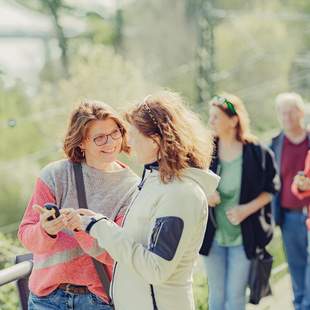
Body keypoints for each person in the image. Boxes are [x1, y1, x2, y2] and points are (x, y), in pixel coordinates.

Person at [63, 91, 219, 310]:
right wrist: (97, 221)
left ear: (155, 140)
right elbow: (135, 246)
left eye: (134, 135)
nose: (129, 143)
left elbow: (156, 268)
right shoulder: (155, 184)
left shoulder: (180, 194)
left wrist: (99, 227)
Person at [18, 100, 139, 309]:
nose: (110, 142)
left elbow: (117, 254)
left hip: (97, 300)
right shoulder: (54, 175)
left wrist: (82, 228)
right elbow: (26, 236)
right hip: (46, 299)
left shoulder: (132, 188)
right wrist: (45, 231)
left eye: (115, 133)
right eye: (99, 138)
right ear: (82, 142)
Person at [199, 94, 278, 310]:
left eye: (216, 117)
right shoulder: (204, 151)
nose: (211, 121)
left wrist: (246, 210)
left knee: (235, 297)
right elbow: (190, 184)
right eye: (210, 116)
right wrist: (205, 194)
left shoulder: (257, 152)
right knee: (216, 294)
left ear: (233, 120)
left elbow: (271, 188)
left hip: (243, 238)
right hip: (212, 236)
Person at [270, 92, 310, 310]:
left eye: (290, 111)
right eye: (281, 112)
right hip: (289, 216)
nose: (286, 116)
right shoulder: (275, 144)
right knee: (296, 265)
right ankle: (300, 304)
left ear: (301, 112)